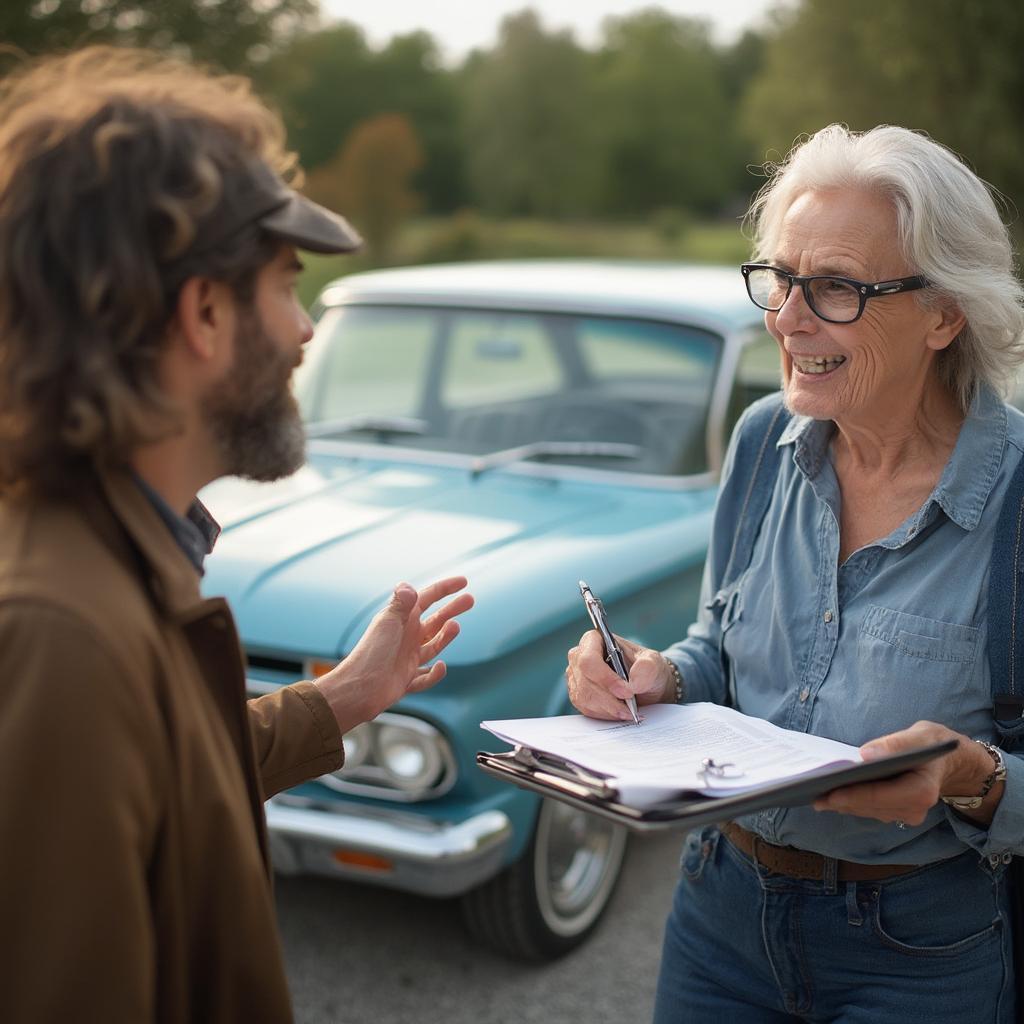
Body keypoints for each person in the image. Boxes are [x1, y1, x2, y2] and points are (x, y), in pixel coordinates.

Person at [0, 47, 473, 1022]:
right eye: (285, 286)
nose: (304, 331)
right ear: (205, 313)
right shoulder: (62, 634)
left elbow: (171, 763)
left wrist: (345, 696)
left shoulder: (107, 562)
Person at [567, 123, 1024, 1023]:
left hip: (924, 952)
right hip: (719, 911)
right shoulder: (760, 444)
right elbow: (717, 648)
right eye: (781, 280)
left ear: (945, 312)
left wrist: (974, 778)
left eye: (837, 289)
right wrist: (657, 675)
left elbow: (991, 776)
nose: (786, 319)